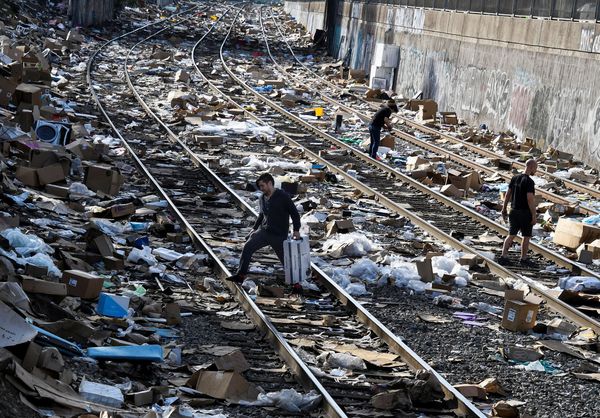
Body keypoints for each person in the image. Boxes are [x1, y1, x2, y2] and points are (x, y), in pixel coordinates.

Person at [227, 173, 301, 283]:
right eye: (260, 187)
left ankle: (297, 285)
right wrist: (254, 228)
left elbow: (295, 214)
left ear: (270, 183)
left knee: (286, 261)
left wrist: (296, 230)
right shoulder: (262, 198)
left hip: (279, 235)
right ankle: (240, 275)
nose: (261, 189)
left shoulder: (283, 196)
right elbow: (261, 215)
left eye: (262, 186)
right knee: (247, 248)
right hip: (264, 232)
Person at [499, 159, 538, 266]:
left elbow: (507, 195)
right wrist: (534, 215)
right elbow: (530, 199)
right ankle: (523, 259)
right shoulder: (529, 182)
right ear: (531, 167)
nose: (536, 170)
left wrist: (504, 208)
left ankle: (503, 256)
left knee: (511, 235)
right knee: (526, 236)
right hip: (525, 213)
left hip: (513, 211)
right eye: (535, 168)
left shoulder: (515, 178)